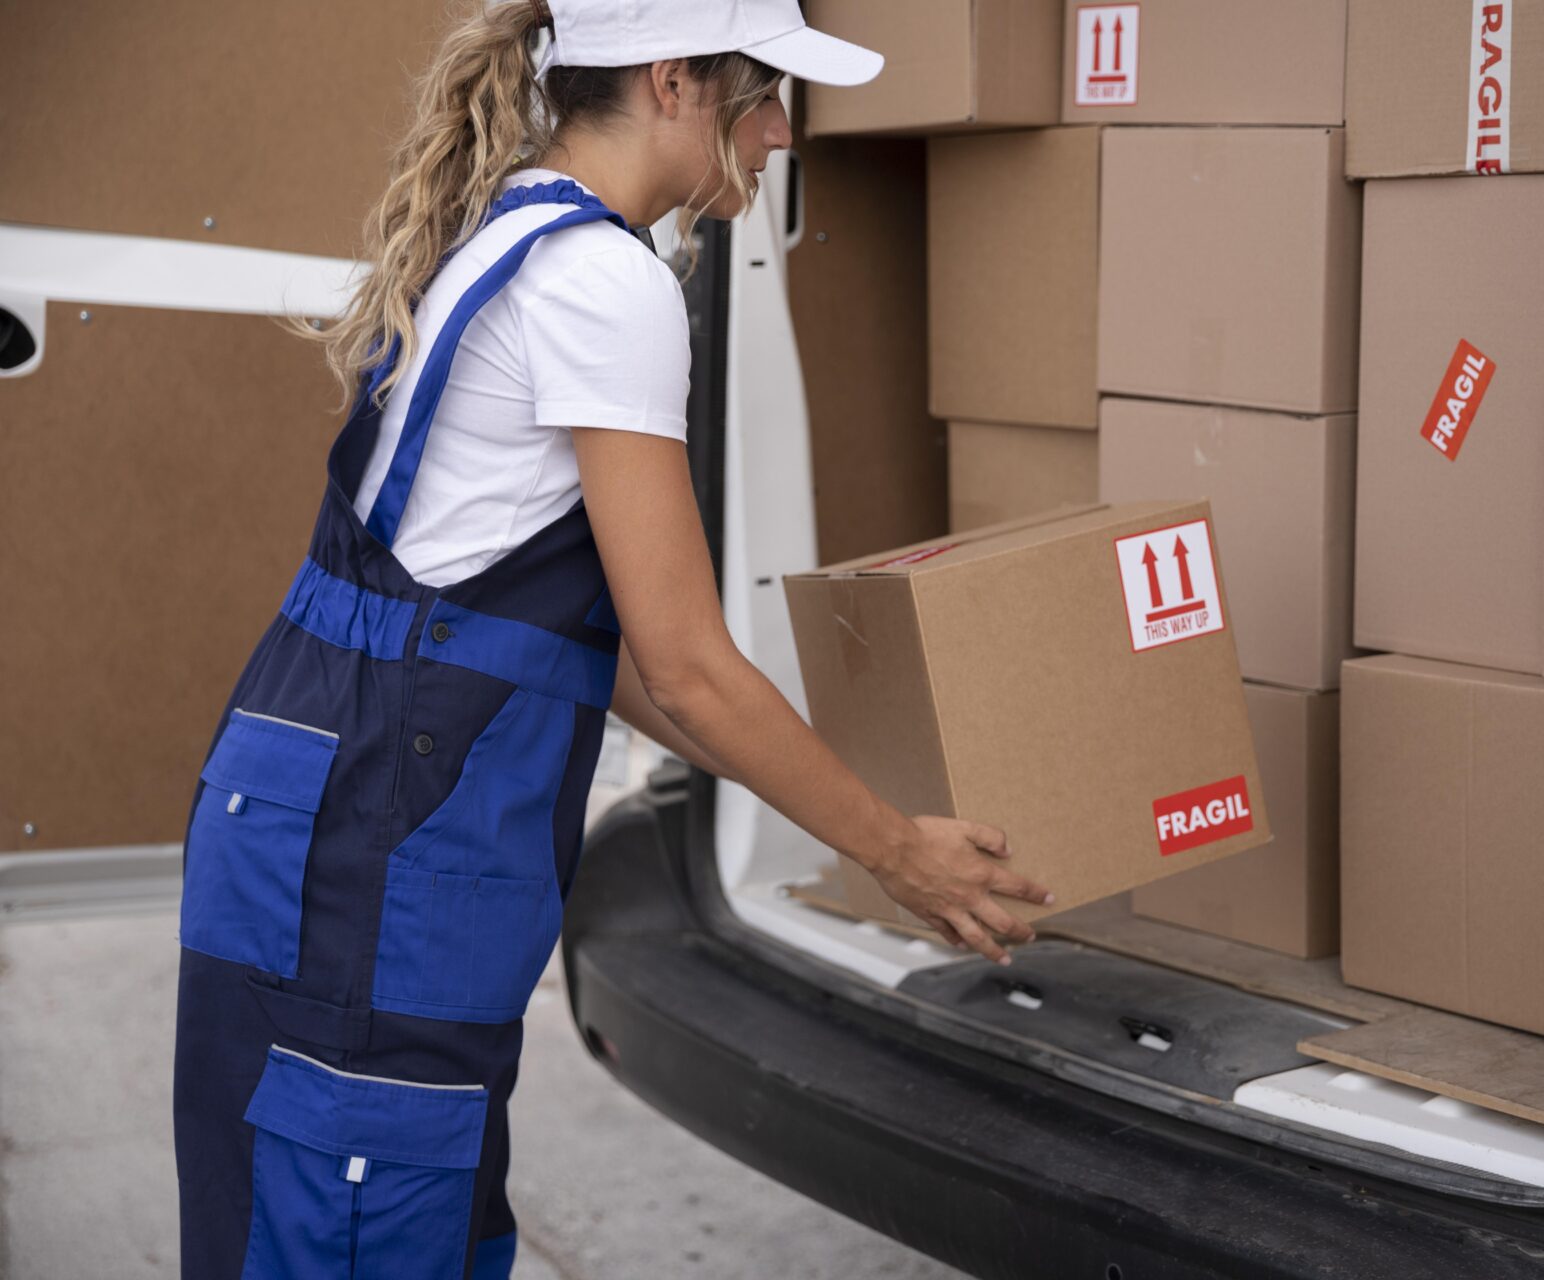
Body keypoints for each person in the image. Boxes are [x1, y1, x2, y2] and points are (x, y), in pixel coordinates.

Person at [171, 1, 1052, 1274]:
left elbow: (566, 639)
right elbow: (690, 667)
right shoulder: (608, 285)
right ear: (676, 81)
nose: (782, 130)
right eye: (763, 93)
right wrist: (893, 851)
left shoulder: (511, 223)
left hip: (318, 809)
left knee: (348, 1208)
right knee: (359, 1217)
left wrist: (813, 776)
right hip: (382, 847)